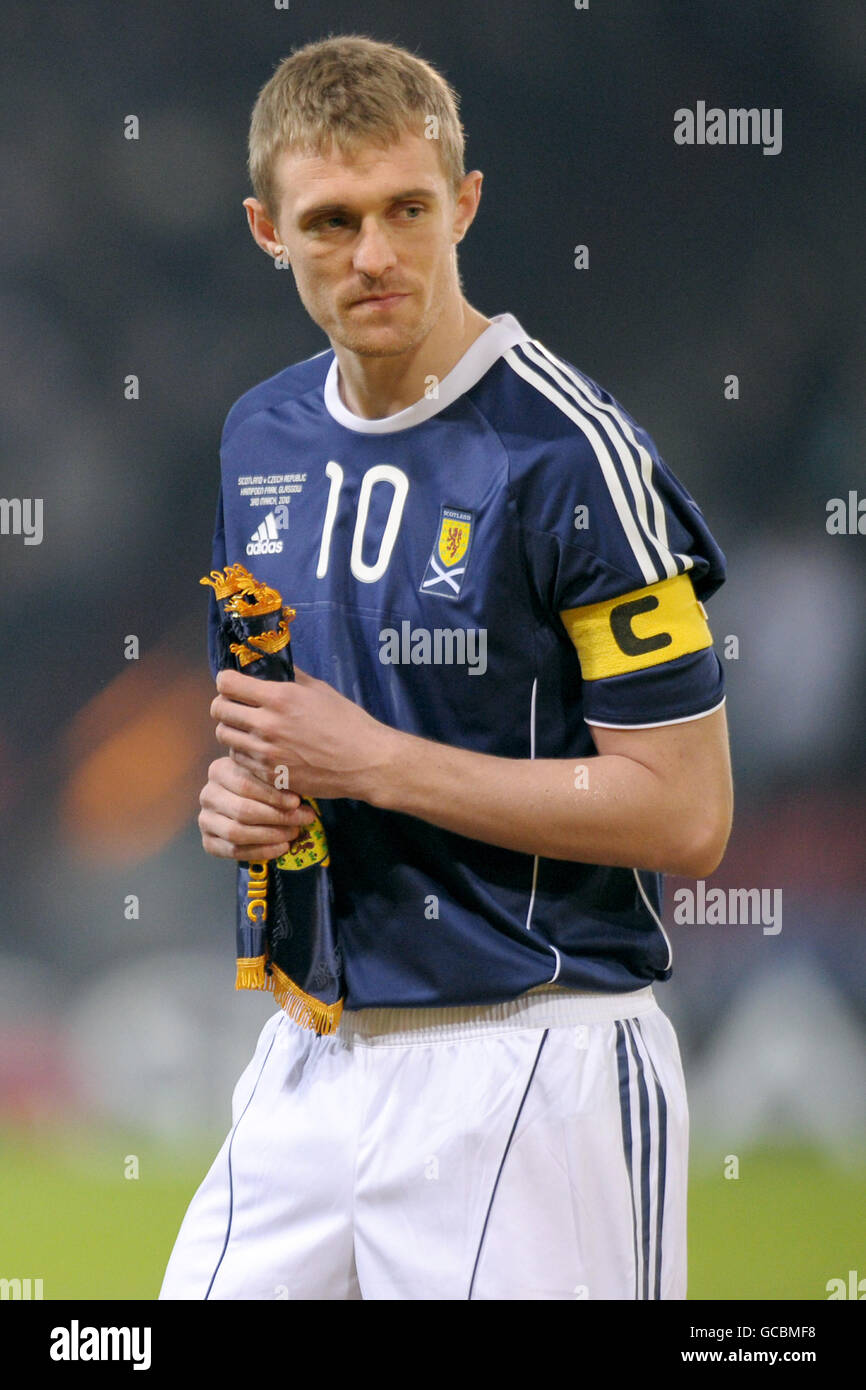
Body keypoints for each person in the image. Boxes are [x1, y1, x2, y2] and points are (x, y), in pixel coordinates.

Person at [159, 33, 733, 1301]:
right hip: (310, 1056)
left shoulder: (570, 456)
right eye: (331, 220)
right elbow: (280, 738)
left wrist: (370, 764)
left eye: (407, 209)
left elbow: (686, 814)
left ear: (463, 202)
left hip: (534, 1059)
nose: (372, 254)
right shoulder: (260, 434)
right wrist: (243, 803)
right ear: (266, 228)